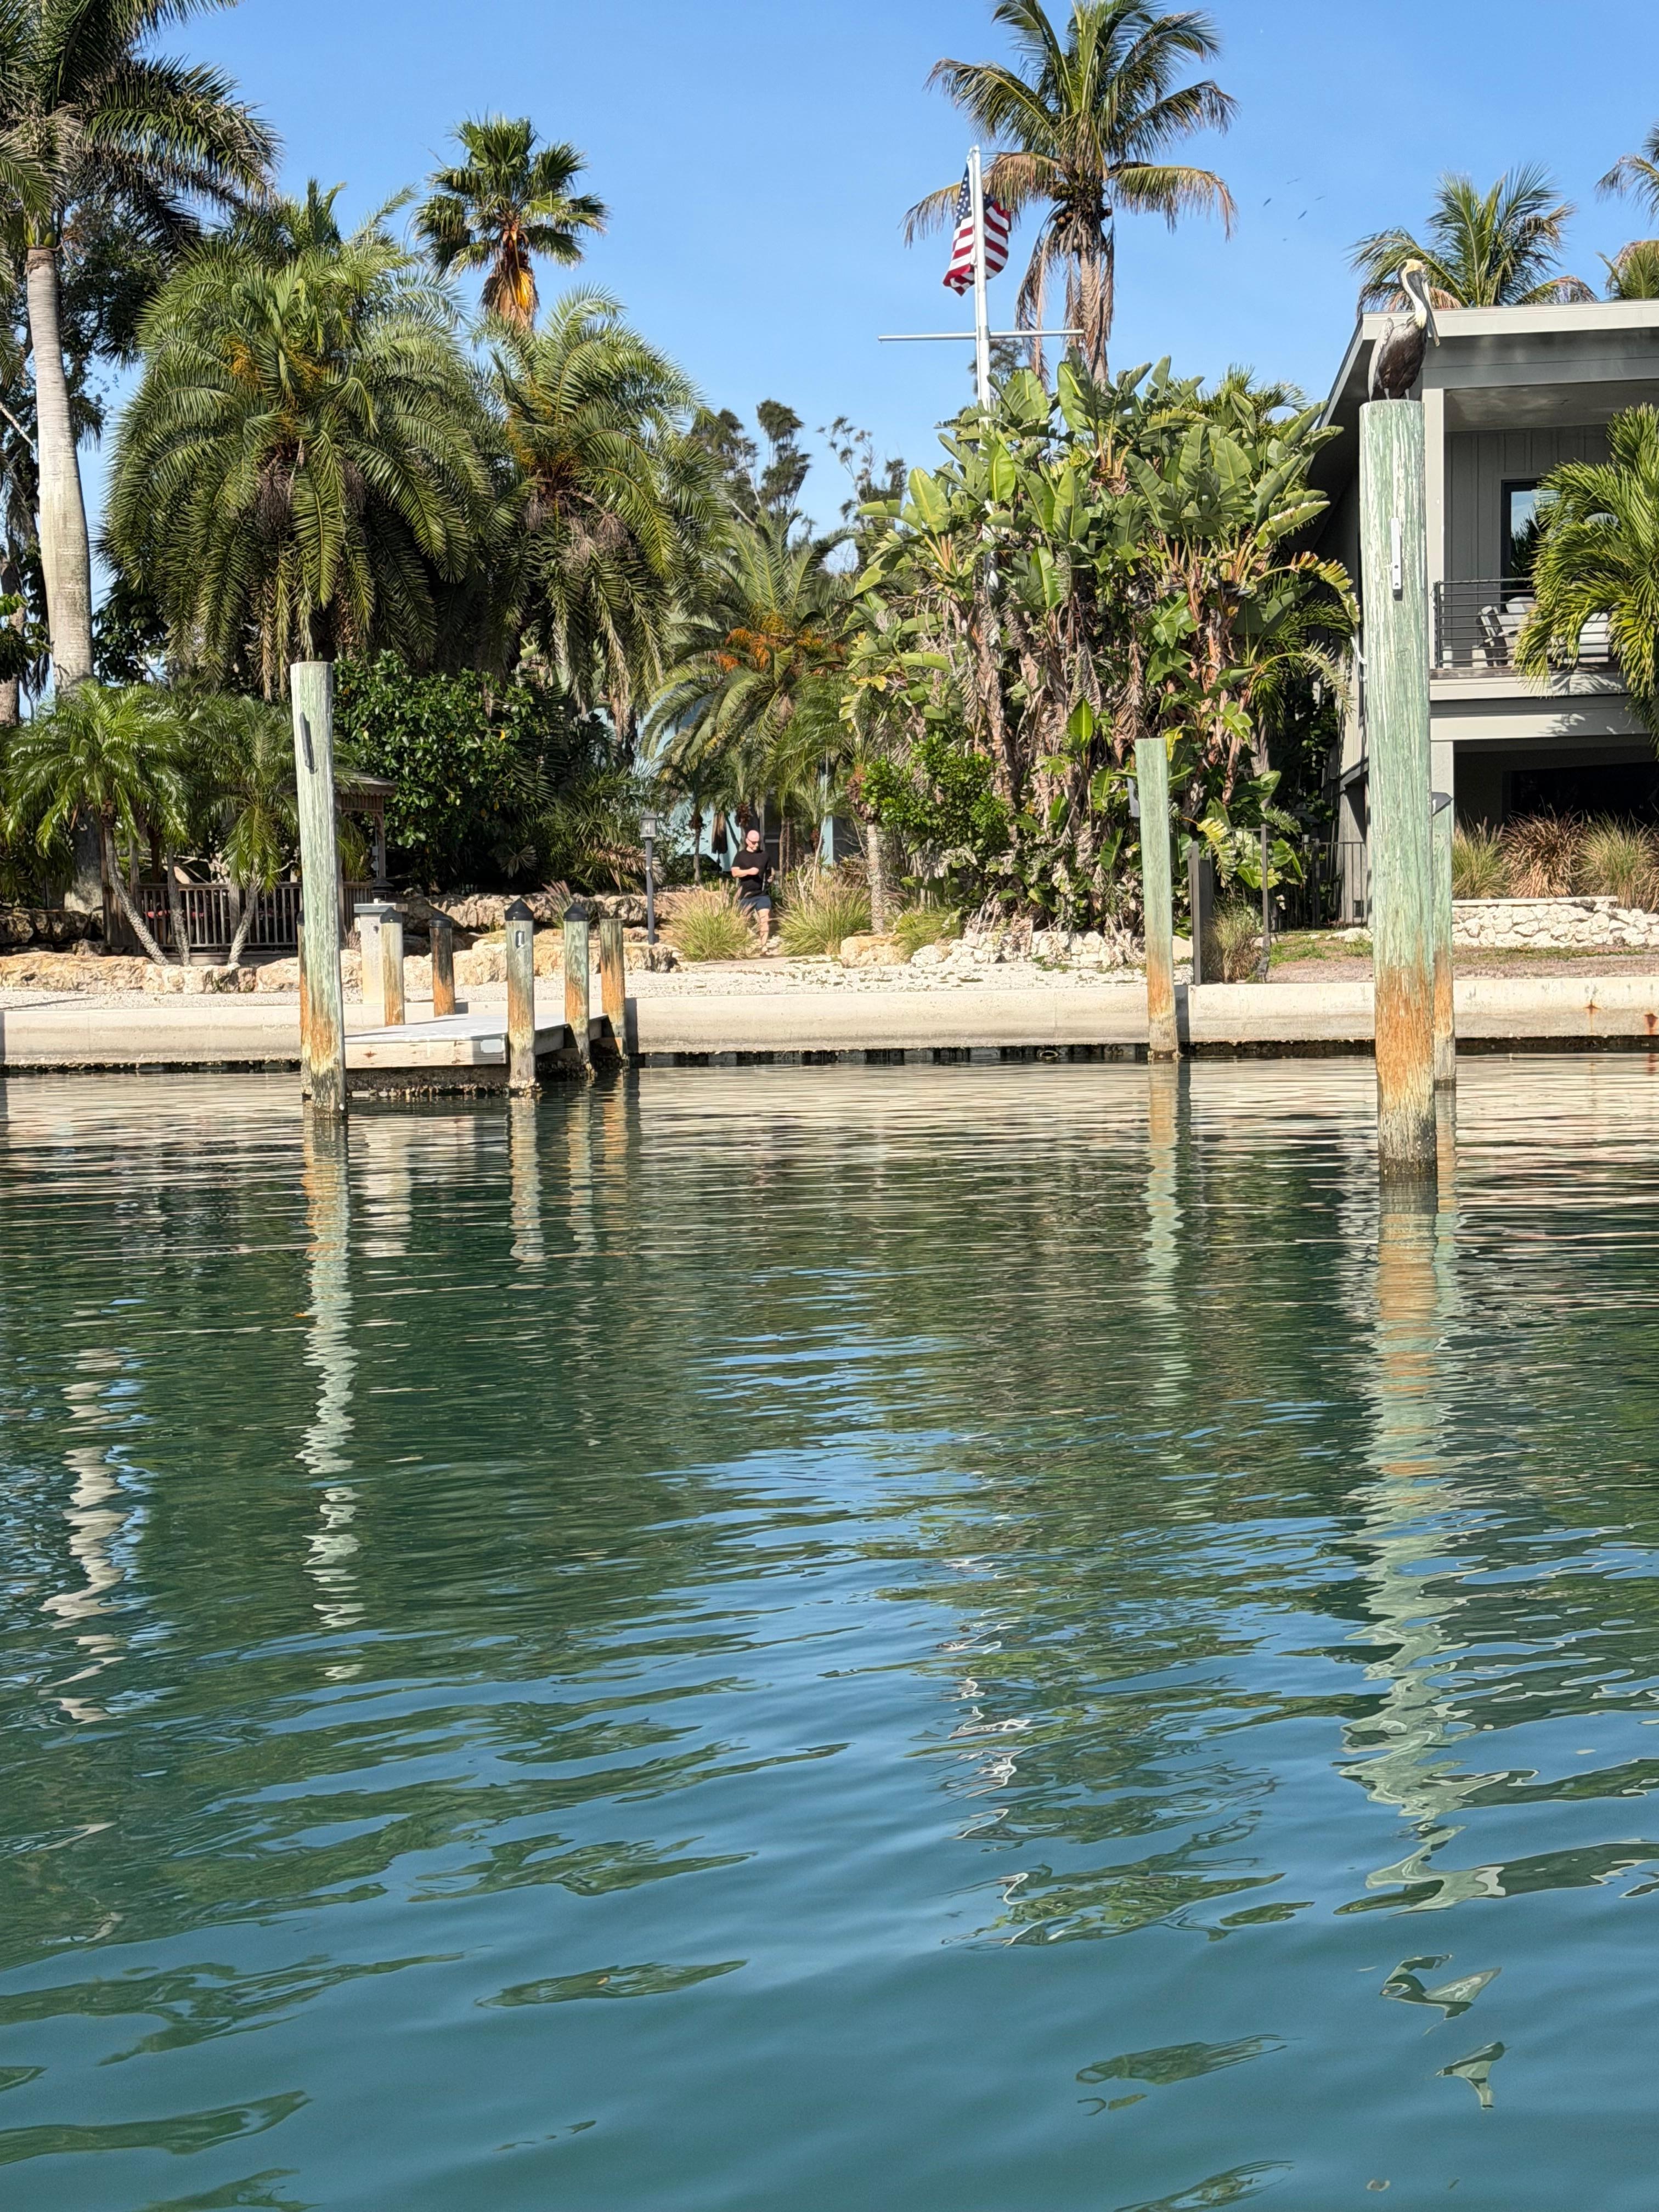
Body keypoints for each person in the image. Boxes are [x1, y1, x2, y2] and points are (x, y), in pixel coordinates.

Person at [731, 827, 772, 944]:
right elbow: (734, 873)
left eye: (758, 842)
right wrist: (749, 871)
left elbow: (769, 872)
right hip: (745, 896)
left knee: (764, 920)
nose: (756, 845)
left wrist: (770, 878)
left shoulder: (765, 855)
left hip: (762, 895)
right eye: (754, 843)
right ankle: (746, 944)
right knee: (744, 922)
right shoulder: (740, 856)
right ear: (747, 841)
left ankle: (763, 947)